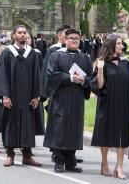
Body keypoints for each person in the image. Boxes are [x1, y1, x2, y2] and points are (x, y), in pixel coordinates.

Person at [43, 28, 92, 173]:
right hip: (60, 98)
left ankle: (71, 161)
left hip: (77, 98)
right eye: (71, 38)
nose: (74, 40)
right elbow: (51, 75)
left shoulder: (84, 58)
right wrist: (70, 78)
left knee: (74, 129)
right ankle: (59, 161)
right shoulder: (56, 55)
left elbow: (91, 78)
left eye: (77, 38)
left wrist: (84, 80)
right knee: (60, 128)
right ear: (65, 39)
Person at [0, 25, 42, 167]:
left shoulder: (32, 53)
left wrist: (36, 95)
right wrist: (5, 96)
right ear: (14, 35)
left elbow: (36, 75)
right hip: (12, 96)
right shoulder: (7, 53)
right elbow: (2, 75)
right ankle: (10, 155)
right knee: (10, 123)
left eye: (24, 33)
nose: (22, 35)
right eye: (19, 33)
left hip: (27, 95)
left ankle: (27, 155)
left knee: (27, 124)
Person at [90, 35, 129, 179]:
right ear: (112, 45)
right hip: (107, 103)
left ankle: (119, 167)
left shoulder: (126, 64)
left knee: (122, 134)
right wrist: (101, 70)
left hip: (123, 104)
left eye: (122, 44)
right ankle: (104, 163)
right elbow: (99, 86)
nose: (122, 46)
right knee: (105, 132)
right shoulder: (102, 63)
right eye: (120, 44)